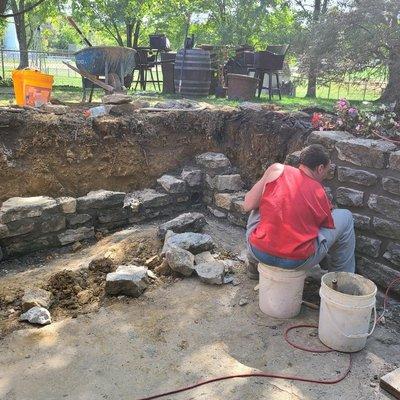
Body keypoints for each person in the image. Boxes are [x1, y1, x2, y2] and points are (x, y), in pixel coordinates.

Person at [243, 144, 355, 279]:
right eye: (327, 170)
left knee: (260, 200)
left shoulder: (277, 169)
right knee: (346, 216)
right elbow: (324, 225)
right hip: (297, 261)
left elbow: (247, 205)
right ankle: (340, 280)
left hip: (259, 252)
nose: (325, 175)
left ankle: (254, 265)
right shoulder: (319, 192)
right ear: (320, 168)